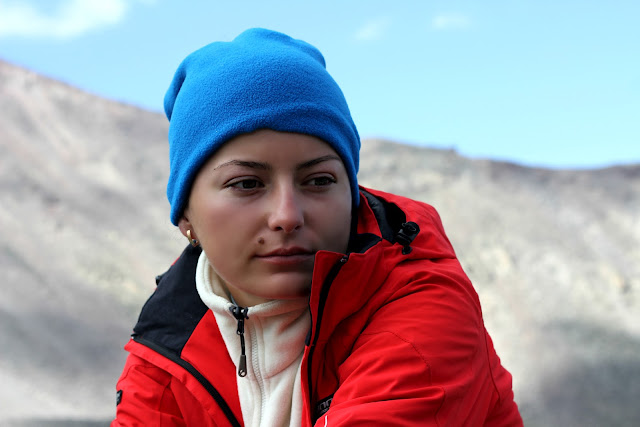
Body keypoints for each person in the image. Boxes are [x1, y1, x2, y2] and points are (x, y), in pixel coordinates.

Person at [112, 28, 523, 426]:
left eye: (319, 180)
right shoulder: (167, 344)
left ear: (352, 194)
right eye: (247, 184)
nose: (287, 215)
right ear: (186, 215)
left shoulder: (423, 305)